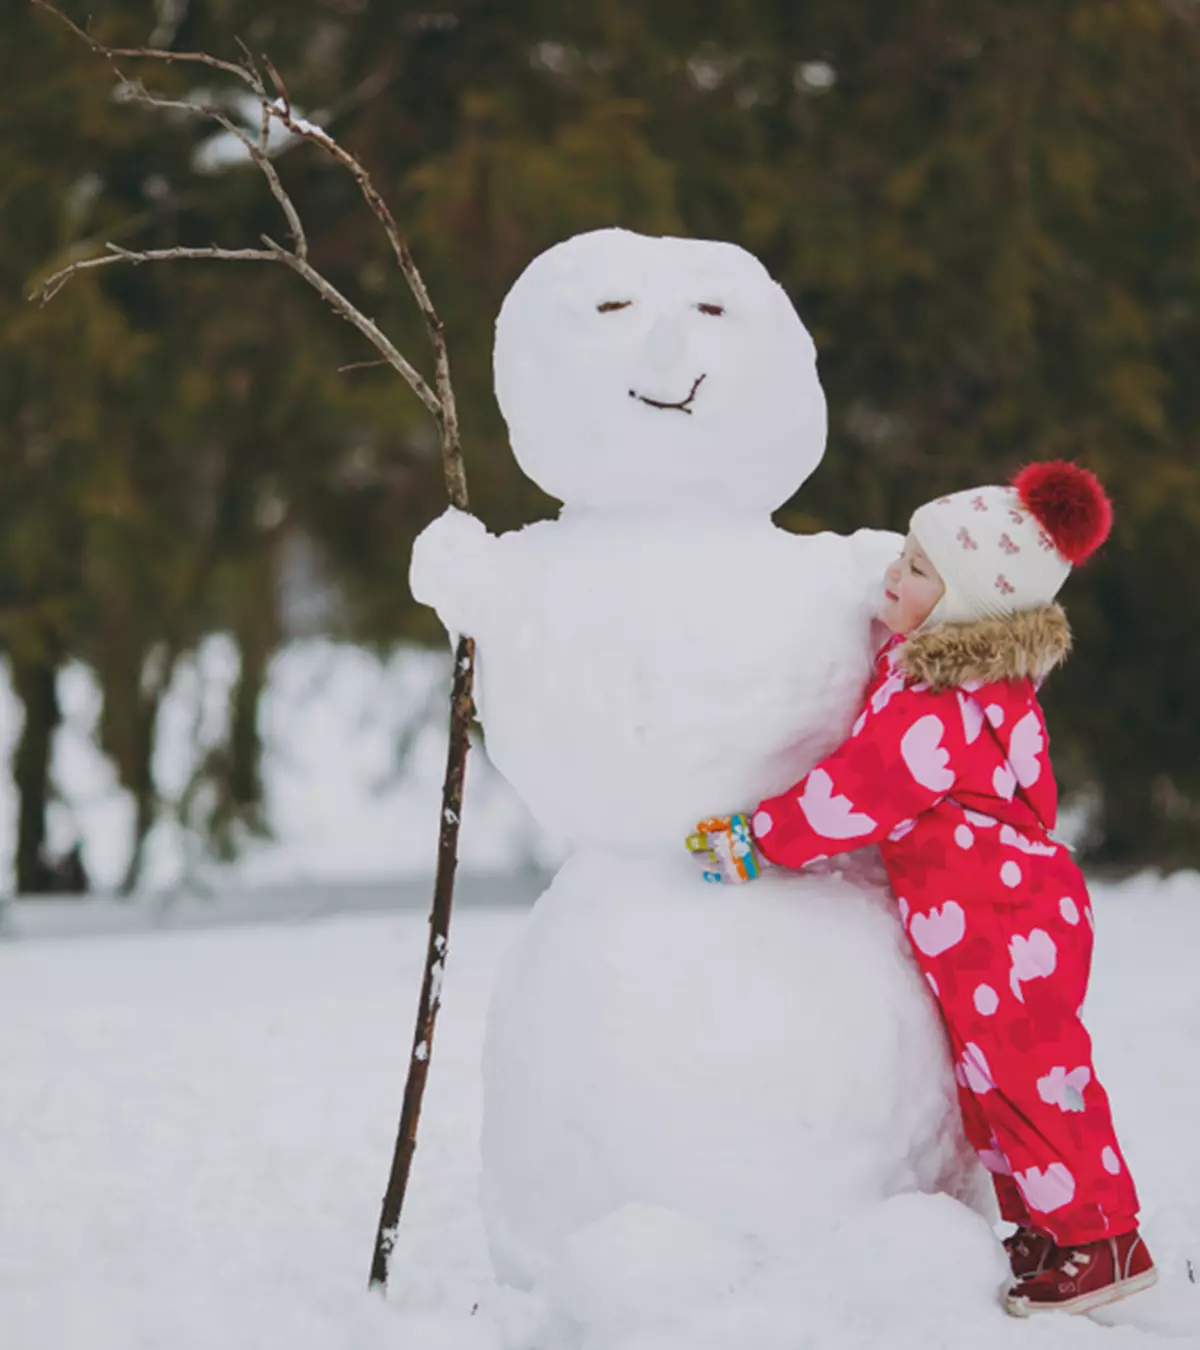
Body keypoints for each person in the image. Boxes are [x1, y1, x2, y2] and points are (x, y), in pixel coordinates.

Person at [687, 461, 1155, 1317]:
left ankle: (1100, 1243)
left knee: (1031, 1078)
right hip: (1003, 912)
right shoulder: (957, 681)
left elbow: (854, 793)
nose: (890, 578)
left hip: (1002, 919)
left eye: (915, 572)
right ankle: (1048, 1233)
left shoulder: (935, 705)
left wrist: (757, 841)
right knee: (996, 1083)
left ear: (963, 607)